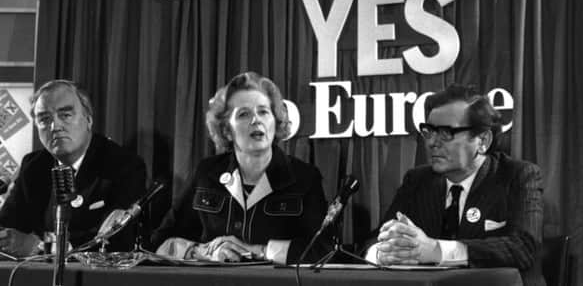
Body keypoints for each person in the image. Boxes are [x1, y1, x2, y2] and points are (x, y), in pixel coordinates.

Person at [366, 84, 545, 286]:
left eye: (445, 133)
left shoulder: (517, 176)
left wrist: (437, 250)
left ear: (483, 140)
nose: (432, 142)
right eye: (429, 131)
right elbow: (374, 240)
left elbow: (523, 248)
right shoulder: (417, 181)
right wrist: (383, 252)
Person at [152, 72, 330, 265]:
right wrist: (204, 251)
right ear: (227, 130)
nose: (256, 120)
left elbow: (322, 250)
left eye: (263, 112)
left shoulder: (304, 178)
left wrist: (258, 251)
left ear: (275, 121)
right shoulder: (206, 173)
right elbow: (159, 241)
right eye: (244, 114)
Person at [0, 79, 147, 256]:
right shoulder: (34, 166)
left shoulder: (123, 165)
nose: (55, 127)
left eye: (66, 115)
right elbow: (9, 226)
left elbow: (119, 239)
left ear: (88, 120)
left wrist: (42, 247)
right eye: (44, 119)